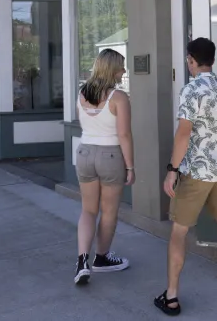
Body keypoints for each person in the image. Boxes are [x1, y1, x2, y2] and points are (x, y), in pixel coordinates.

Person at [155, 37, 217, 316]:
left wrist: (172, 170)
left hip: (196, 172)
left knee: (179, 232)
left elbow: (184, 134)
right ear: (213, 60)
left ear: (191, 60)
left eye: (188, 59)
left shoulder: (191, 90)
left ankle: (171, 297)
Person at [74, 48, 135, 285]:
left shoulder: (81, 94)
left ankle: (81, 262)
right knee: (109, 211)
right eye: (121, 66)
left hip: (85, 152)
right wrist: (130, 167)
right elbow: (125, 135)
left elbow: (84, 121)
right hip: (110, 156)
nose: (124, 70)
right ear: (112, 69)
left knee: (88, 210)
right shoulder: (118, 97)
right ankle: (101, 259)